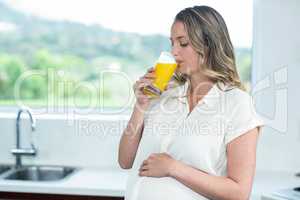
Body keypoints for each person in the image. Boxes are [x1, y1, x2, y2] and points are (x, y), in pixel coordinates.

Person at [118, 5, 263, 200]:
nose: (174, 52)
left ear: (209, 45)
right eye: (172, 43)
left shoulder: (237, 104)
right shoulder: (164, 96)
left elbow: (239, 193)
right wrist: (140, 105)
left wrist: (173, 168)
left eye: (183, 43)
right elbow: (125, 161)